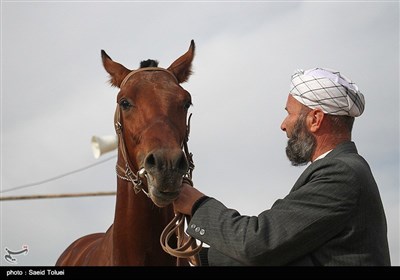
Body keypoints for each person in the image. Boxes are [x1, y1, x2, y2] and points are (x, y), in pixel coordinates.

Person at [173, 67, 391, 266]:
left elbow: (258, 244)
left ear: (315, 119)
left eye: (290, 113)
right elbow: (282, 254)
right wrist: (197, 255)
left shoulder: (341, 174)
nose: (283, 125)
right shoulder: (346, 170)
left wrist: (197, 204)